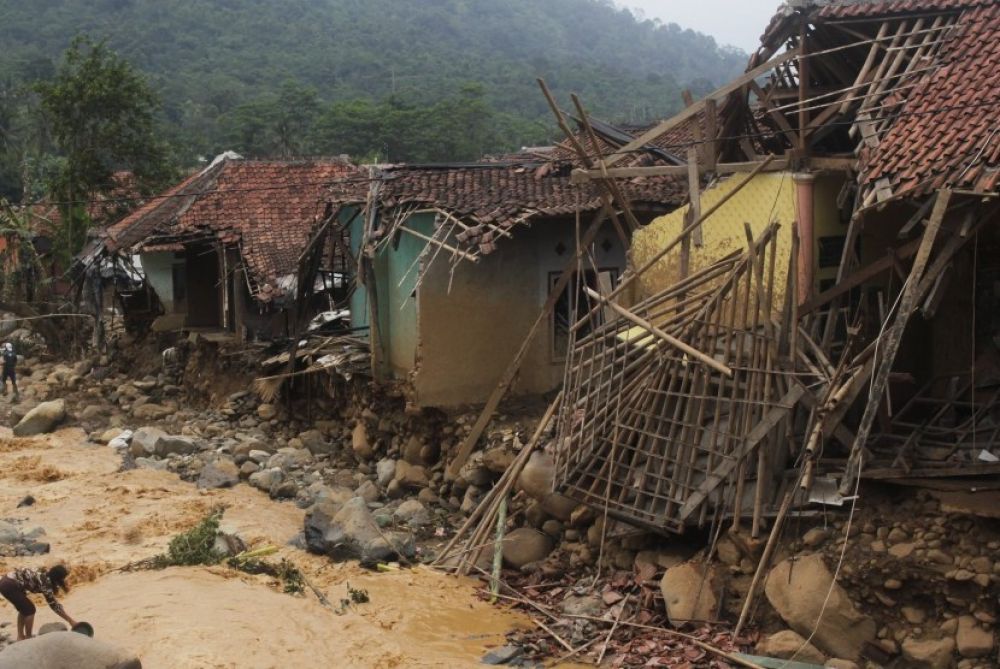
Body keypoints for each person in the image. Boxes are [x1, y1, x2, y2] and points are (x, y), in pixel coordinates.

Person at [0, 565, 77, 640]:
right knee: (30, 610)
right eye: (63, 578)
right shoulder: (46, 583)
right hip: (9, 585)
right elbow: (55, 606)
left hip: (6, 580)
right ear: (58, 578)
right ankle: (28, 638)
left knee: (24, 609)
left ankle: (21, 636)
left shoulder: (44, 572)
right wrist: (71, 621)